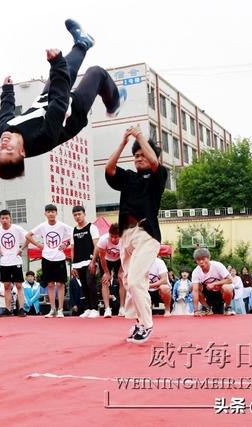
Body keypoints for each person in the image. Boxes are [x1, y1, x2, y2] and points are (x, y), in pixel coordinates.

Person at [0, 19, 126, 179]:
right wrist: (56, 64)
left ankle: (83, 42)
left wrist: (7, 91)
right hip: (71, 114)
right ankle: (114, 104)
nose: (3, 145)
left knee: (65, 69)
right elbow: (59, 103)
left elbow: (5, 115)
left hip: (46, 101)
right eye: (9, 150)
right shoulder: (41, 139)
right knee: (96, 73)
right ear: (22, 152)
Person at [105, 126, 168, 343]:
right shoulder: (128, 177)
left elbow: (155, 163)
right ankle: (140, 322)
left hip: (146, 234)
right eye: (136, 155)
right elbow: (109, 169)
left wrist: (140, 136)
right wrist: (123, 143)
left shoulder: (157, 176)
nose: (139, 158)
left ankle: (147, 325)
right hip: (126, 236)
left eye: (143, 154)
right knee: (129, 280)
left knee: (134, 281)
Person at [26, 204, 73, 318]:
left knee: (60, 284)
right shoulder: (42, 226)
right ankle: (53, 309)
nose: (51, 213)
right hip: (47, 258)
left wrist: (66, 243)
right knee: (50, 284)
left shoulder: (62, 226)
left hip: (59, 258)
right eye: (48, 211)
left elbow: (74, 233)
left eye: (53, 211)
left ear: (56, 213)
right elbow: (28, 235)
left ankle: (61, 309)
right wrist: (38, 244)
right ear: (45, 214)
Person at [0, 209, 29, 317]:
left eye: (7, 218)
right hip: (4, 262)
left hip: (16, 261)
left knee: (19, 285)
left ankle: (21, 308)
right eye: (3, 218)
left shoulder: (17, 229)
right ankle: (7, 309)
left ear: (10, 218)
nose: (5, 220)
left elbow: (28, 237)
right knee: (6, 285)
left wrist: (21, 249)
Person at [70, 206, 100, 318]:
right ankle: (88, 308)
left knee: (90, 283)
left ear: (84, 214)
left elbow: (97, 246)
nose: (77, 216)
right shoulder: (73, 230)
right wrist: (73, 265)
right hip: (78, 262)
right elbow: (72, 248)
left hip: (90, 260)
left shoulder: (92, 227)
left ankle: (95, 308)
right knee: (84, 285)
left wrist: (93, 261)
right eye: (75, 215)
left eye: (79, 214)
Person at [191, 248, 235, 316]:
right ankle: (207, 308)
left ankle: (227, 307)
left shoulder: (217, 265)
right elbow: (195, 291)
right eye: (198, 260)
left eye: (203, 259)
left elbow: (230, 280)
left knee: (227, 287)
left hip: (221, 292)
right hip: (209, 294)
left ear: (208, 258)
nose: (201, 262)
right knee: (192, 286)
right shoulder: (196, 271)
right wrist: (195, 311)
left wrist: (214, 284)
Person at [96, 223, 124, 317]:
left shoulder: (125, 241)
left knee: (122, 279)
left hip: (120, 259)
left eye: (116, 237)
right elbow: (102, 258)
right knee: (105, 281)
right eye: (111, 236)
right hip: (106, 260)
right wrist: (107, 272)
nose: (113, 239)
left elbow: (126, 257)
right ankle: (107, 308)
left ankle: (122, 307)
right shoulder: (103, 240)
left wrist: (120, 271)